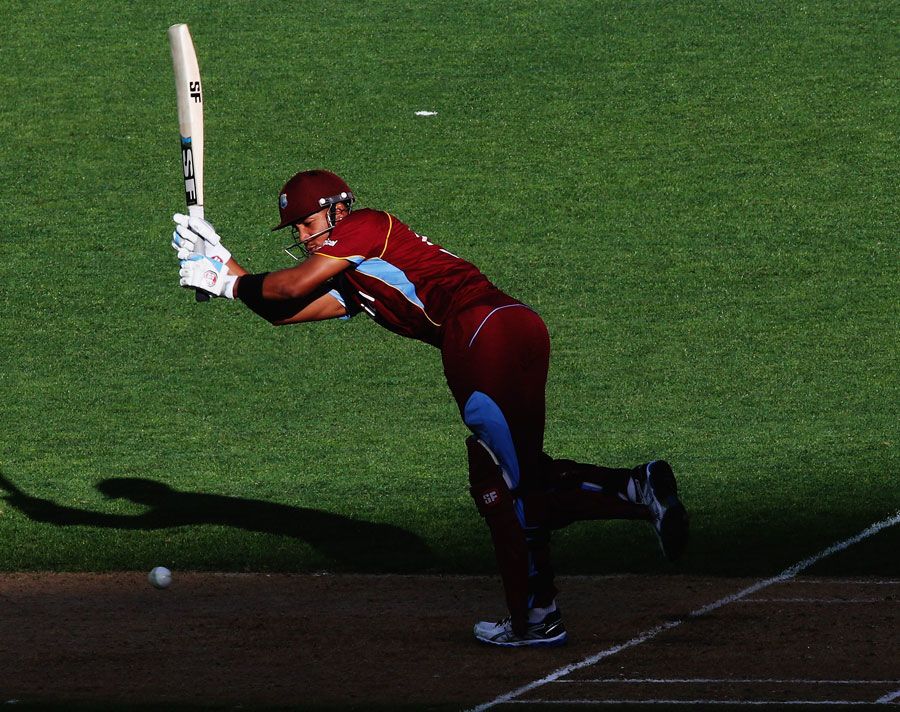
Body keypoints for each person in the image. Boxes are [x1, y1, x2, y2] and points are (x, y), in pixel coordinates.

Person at [172, 169, 689, 647]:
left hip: (479, 335)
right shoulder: (362, 273)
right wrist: (221, 262)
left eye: (307, 224)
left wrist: (230, 282)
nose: (304, 237)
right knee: (515, 480)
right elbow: (285, 311)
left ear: (336, 210)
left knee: (503, 489)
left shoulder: (367, 227)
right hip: (513, 328)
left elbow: (292, 284)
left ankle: (602, 533)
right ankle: (555, 589)